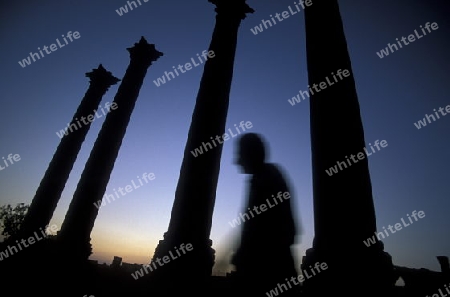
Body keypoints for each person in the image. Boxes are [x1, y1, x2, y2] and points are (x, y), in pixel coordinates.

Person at [231, 133, 300, 296]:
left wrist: (244, 255)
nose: (236, 160)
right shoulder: (266, 176)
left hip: (268, 273)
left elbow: (260, 227)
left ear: (251, 153)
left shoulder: (266, 178)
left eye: (239, 153)